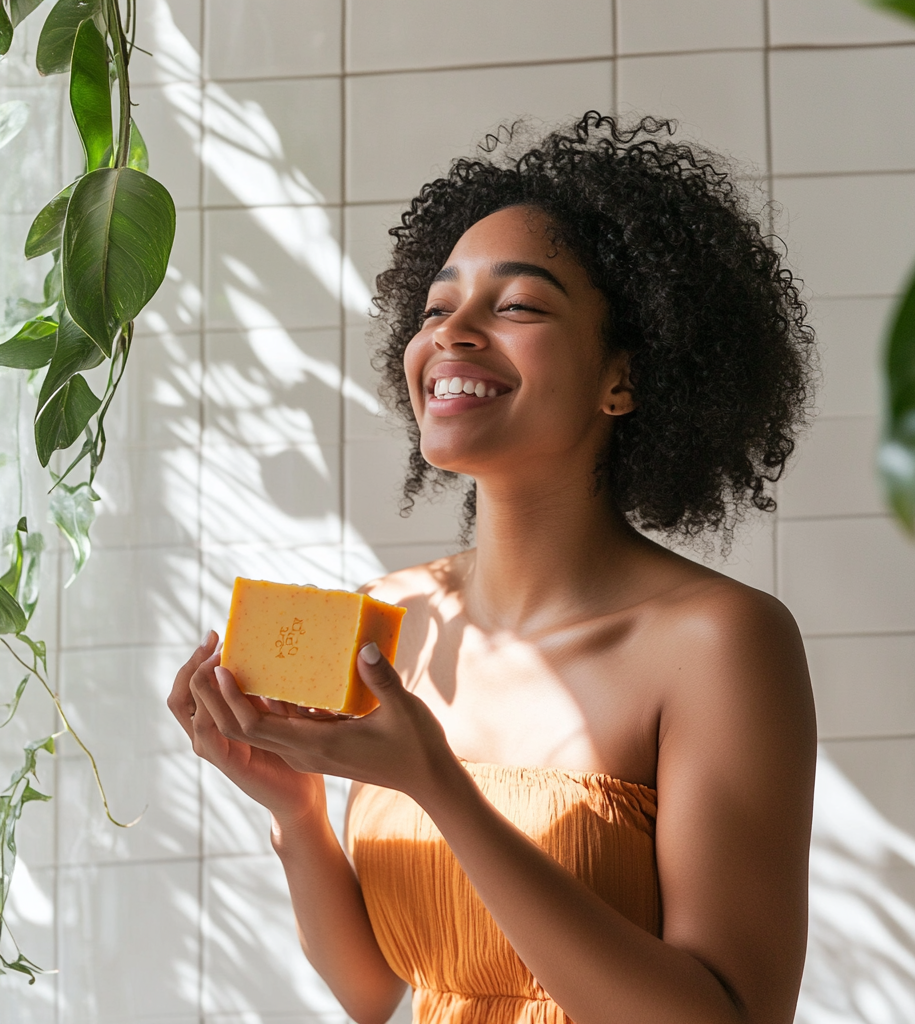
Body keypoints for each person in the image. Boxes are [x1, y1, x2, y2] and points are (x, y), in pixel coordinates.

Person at [168, 112, 817, 1024]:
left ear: (624, 379)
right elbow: (377, 992)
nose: (453, 333)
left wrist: (440, 787)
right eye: (436, 309)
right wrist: (295, 813)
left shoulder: (719, 643)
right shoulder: (392, 620)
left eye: (516, 307)